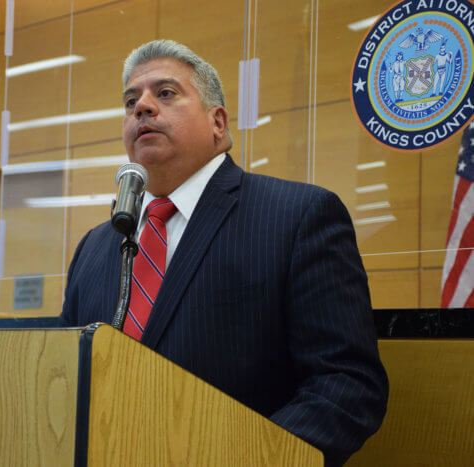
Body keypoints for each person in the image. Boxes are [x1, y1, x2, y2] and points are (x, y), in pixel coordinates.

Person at [59, 40, 388, 466]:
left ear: (218, 122)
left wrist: (245, 457)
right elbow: (63, 376)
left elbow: (346, 384)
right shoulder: (96, 246)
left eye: (165, 93)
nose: (141, 107)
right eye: (130, 101)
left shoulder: (296, 216)